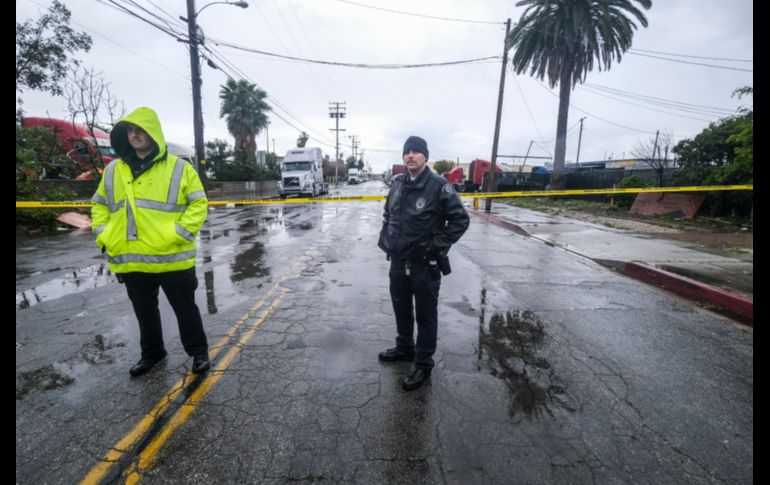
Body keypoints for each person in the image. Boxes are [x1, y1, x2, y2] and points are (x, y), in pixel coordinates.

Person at [91, 106, 211, 377]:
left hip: (172, 256)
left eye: (140, 130)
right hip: (132, 258)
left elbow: (198, 203)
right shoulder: (113, 171)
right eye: (130, 131)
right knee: (144, 312)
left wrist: (179, 233)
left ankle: (199, 353)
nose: (134, 135)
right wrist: (104, 233)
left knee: (185, 309)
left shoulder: (180, 168)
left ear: (153, 133)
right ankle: (153, 354)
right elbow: (98, 204)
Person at [377, 135, 470, 390]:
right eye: (407, 152)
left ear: (425, 157)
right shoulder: (397, 183)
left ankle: (423, 364)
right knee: (401, 307)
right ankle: (404, 348)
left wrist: (433, 246)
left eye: (416, 152)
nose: (411, 156)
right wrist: (387, 238)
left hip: (424, 265)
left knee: (426, 316)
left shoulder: (439, 186)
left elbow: (460, 221)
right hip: (398, 261)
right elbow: (388, 213)